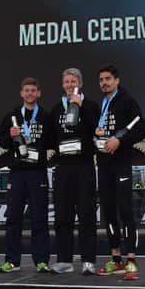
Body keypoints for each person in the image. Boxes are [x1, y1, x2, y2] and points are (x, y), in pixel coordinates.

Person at [94, 65, 145, 280]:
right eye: (101, 79)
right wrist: (99, 135)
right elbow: (107, 130)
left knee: (125, 209)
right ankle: (115, 259)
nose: (104, 82)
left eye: (108, 79)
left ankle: (131, 261)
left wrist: (119, 139)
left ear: (117, 80)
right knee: (108, 211)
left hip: (121, 164)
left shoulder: (127, 100)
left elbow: (140, 129)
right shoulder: (103, 104)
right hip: (104, 164)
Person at [0, 77, 51, 273]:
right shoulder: (11, 115)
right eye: (26, 90)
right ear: (21, 93)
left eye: (33, 90)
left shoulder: (45, 116)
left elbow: (52, 141)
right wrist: (11, 136)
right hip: (17, 173)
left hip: (37, 173)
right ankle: (12, 261)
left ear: (38, 93)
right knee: (13, 218)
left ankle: (42, 261)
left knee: (40, 218)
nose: (30, 93)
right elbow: (1, 141)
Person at [49, 68, 99, 275]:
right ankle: (64, 261)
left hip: (84, 165)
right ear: (63, 85)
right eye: (66, 82)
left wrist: (80, 108)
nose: (70, 85)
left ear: (80, 83)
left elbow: (96, 127)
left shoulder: (91, 105)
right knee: (62, 216)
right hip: (63, 168)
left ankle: (88, 261)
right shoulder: (55, 109)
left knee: (87, 214)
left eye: (73, 81)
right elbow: (51, 139)